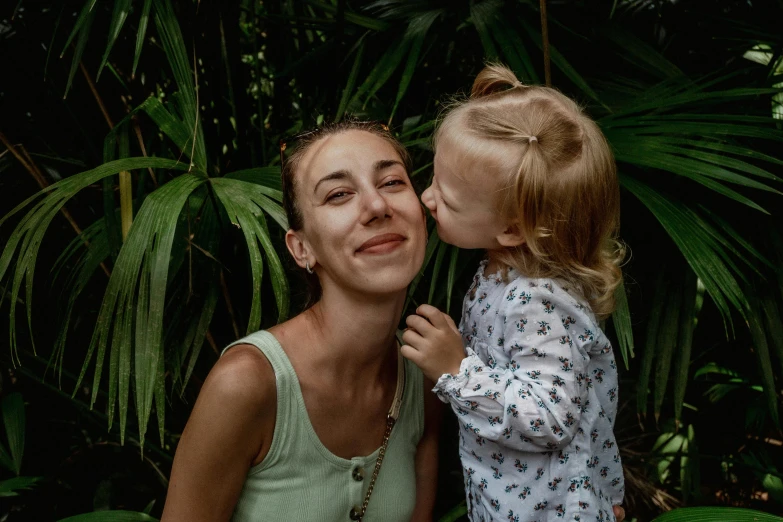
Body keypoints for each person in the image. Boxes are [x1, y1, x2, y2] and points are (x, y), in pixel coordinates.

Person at [161, 120, 440, 522]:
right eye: (339, 194)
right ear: (302, 247)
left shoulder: (425, 376)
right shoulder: (247, 384)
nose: (378, 206)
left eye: (393, 182)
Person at [400, 63, 626, 521]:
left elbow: (549, 418)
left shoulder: (536, 300)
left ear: (512, 228)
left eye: (446, 195)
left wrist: (457, 369)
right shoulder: (502, 271)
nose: (426, 197)